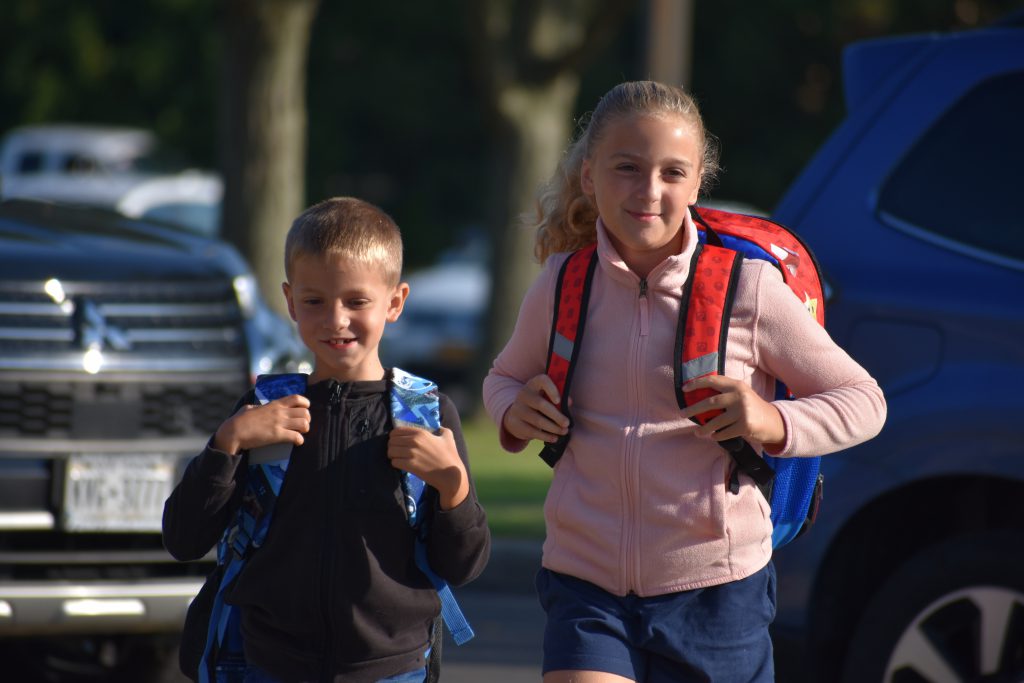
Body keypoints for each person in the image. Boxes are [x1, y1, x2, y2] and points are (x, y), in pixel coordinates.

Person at [482, 80, 886, 683]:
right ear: (589, 176)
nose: (649, 191)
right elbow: (502, 379)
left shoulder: (747, 290)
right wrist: (513, 411)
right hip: (585, 585)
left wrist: (772, 420)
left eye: (673, 173)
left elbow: (865, 402)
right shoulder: (562, 282)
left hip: (717, 594)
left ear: (698, 184)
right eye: (627, 168)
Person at [164, 197, 491, 683]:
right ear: (291, 301)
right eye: (314, 301)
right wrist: (226, 444)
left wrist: (452, 488)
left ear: (395, 303)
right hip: (268, 663)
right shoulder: (262, 413)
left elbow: (462, 565)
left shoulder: (425, 414)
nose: (335, 320)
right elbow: (184, 539)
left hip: (391, 667)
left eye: (356, 301)